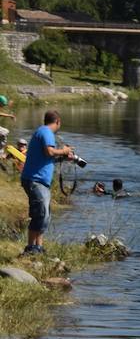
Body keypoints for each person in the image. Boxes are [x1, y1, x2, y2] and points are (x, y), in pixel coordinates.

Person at [19, 109, 76, 255]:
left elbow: (47, 157)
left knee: (45, 214)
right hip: (35, 179)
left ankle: (39, 247)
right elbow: (50, 152)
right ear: (57, 122)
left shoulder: (42, 132)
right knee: (40, 214)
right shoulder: (46, 132)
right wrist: (64, 150)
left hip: (39, 180)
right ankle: (30, 248)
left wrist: (64, 157)